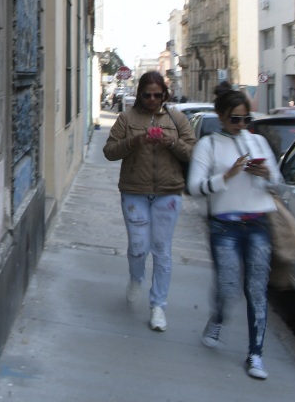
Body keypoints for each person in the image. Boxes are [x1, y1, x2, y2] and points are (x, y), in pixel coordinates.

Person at [187, 81, 281, 380]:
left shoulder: (258, 142)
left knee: (256, 289)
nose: (241, 125)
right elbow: (195, 188)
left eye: (246, 119)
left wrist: (266, 173)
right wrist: (227, 176)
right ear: (221, 116)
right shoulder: (209, 145)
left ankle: (255, 354)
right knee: (228, 288)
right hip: (224, 226)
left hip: (257, 223)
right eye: (235, 119)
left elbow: (278, 182)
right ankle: (218, 318)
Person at [103, 71, 195, 332]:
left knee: (162, 250)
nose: (152, 100)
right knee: (138, 246)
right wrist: (135, 140)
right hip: (135, 191)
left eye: (157, 95)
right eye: (147, 95)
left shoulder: (177, 119)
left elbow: (192, 152)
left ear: (164, 95)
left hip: (168, 193)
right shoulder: (126, 118)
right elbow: (109, 151)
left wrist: (171, 141)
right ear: (140, 95)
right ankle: (136, 277)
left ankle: (158, 306)